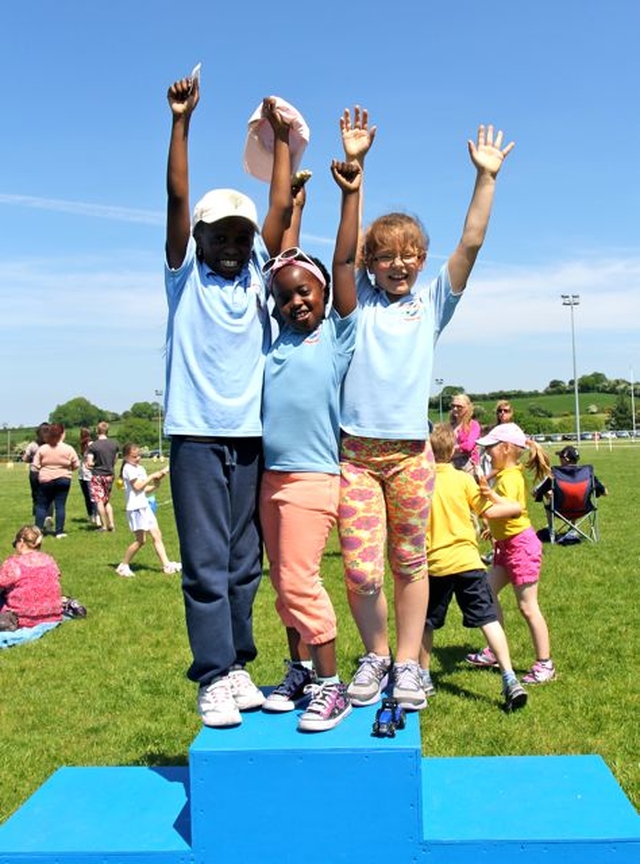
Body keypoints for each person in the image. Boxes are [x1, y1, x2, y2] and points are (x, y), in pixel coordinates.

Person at [337, 112, 515, 711]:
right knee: (363, 571)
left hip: (412, 456)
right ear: (370, 262)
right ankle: (378, 655)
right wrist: (355, 171)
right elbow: (343, 255)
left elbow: (470, 243)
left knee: (412, 566)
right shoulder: (356, 300)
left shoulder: (432, 303)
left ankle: (409, 667)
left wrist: (485, 179)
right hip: (356, 458)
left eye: (410, 255)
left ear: (421, 261)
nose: (399, 264)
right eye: (386, 255)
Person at [164, 70, 293, 727]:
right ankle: (212, 676)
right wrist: (181, 123)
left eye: (241, 238)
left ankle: (239, 666)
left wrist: (285, 147)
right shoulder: (185, 280)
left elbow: (276, 214)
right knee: (206, 563)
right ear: (199, 240)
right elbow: (178, 197)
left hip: (250, 436)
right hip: (193, 435)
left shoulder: (256, 280)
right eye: (220, 236)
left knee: (246, 562)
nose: (234, 245)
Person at [259, 158, 361, 732]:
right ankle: (298, 668)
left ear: (323, 291)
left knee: (301, 580)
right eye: (286, 297)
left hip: (313, 478)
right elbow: (280, 264)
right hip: (268, 478)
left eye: (306, 292)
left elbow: (344, 259)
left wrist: (349, 196)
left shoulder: (336, 336)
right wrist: (293, 204)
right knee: (282, 585)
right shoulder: (276, 342)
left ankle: (330, 684)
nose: (296, 301)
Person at [419, 424, 527, 712]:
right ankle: (509, 677)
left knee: (425, 623)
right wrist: (516, 508)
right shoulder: (464, 480)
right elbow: (489, 511)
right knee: (488, 618)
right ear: (454, 450)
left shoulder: (421, 481)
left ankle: (424, 677)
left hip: (435, 564)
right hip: (469, 562)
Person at [466, 423, 556, 685]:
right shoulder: (505, 472)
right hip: (506, 546)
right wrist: (494, 531)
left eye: (491, 448)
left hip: (521, 547)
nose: (488, 453)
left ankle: (545, 664)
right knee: (487, 591)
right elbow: (502, 507)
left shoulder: (510, 477)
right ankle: (496, 650)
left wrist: (479, 500)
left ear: (506, 448)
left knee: (528, 607)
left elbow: (513, 509)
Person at [115, 443, 181, 577]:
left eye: (139, 455)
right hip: (136, 508)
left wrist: (156, 484)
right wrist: (152, 476)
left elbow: (144, 490)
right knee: (141, 541)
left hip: (144, 506)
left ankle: (166, 565)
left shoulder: (140, 468)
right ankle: (123, 566)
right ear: (126, 457)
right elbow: (137, 487)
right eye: (134, 456)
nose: (138, 458)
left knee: (157, 535)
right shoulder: (128, 469)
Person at [533, 444, 607, 542]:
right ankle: (573, 529)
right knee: (575, 495)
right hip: (584, 510)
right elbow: (605, 492)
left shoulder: (556, 473)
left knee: (550, 498)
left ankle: (551, 530)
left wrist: (547, 493)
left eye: (561, 457)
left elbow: (536, 492)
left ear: (566, 459)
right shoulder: (587, 473)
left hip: (559, 510)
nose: (559, 459)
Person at [0, 526, 63, 627]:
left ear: (21, 542)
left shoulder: (13, 564)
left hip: (22, 618)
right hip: (53, 616)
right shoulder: (50, 560)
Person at [33, 424, 80, 538]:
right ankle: (59, 531)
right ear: (61, 435)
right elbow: (76, 464)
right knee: (60, 506)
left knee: (41, 506)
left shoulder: (43, 449)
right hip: (63, 479)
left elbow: (35, 466)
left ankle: (38, 531)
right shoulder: (68, 448)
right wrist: (68, 469)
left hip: (46, 480)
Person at [86, 421, 119, 532]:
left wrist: (92, 464)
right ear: (107, 431)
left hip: (98, 475)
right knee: (107, 501)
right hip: (109, 475)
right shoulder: (114, 444)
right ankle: (112, 524)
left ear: (97, 431)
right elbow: (115, 460)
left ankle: (104, 526)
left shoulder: (93, 446)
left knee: (99, 501)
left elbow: (89, 463)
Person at [22, 423, 51, 517]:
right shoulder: (51, 444)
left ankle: (38, 517)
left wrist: (32, 459)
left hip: (35, 473)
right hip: (49, 472)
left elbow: (25, 458)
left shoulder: (33, 445)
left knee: (36, 496)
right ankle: (49, 517)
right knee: (49, 496)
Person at [449, 393, 481, 472]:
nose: (455, 409)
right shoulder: (449, 426)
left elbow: (469, 446)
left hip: (467, 466)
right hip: (450, 465)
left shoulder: (473, 425)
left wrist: (452, 448)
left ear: (467, 408)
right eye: (453, 406)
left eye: (459, 406)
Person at [78, 427, 100, 527]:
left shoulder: (92, 445)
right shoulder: (83, 445)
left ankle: (96, 516)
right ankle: (91, 515)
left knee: (92, 497)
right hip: (82, 474)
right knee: (87, 497)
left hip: (90, 474)